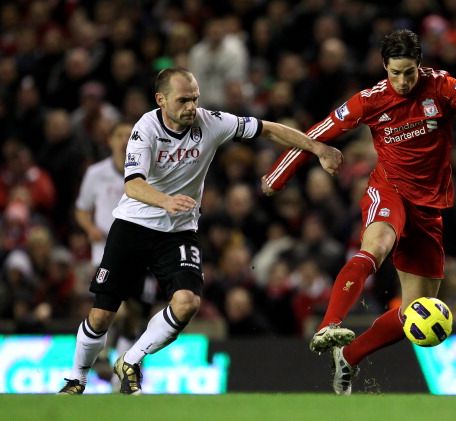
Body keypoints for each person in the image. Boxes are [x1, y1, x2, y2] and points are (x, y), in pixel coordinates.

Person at [261, 29, 456, 395]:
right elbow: (318, 132)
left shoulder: (442, 87)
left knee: (418, 308)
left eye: (409, 72)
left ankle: (349, 356)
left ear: (420, 65)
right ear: (384, 68)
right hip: (389, 191)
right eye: (394, 73)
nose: (402, 81)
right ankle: (329, 325)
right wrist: (278, 175)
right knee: (377, 244)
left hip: (429, 208)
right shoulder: (370, 100)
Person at [58, 67, 342, 395]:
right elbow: (134, 186)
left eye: (194, 98)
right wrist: (166, 201)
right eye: (183, 100)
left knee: (187, 302)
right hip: (134, 226)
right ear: (160, 100)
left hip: (178, 231)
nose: (191, 106)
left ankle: (131, 360)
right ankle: (77, 378)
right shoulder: (145, 129)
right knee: (102, 315)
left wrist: (317, 148)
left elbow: (269, 130)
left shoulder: (212, 122)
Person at [73, 120, 158, 386]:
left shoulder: (148, 171)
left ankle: (119, 367)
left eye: (129, 135)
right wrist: (89, 228)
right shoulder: (96, 174)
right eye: (119, 135)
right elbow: (81, 208)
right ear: (109, 140)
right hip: (105, 252)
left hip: (140, 252)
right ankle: (104, 357)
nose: (124, 140)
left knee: (134, 315)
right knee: (114, 310)